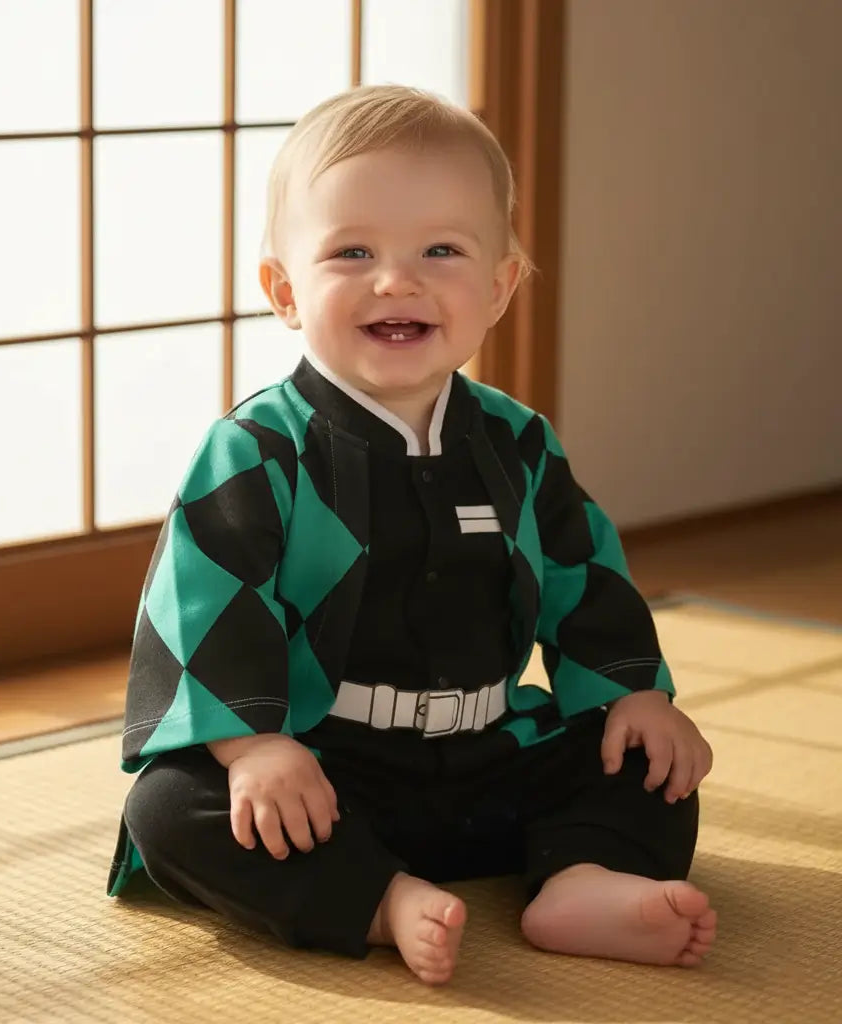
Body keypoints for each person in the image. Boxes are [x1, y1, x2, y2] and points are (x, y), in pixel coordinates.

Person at [107, 84, 716, 986]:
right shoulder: (255, 450)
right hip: (328, 773)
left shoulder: (517, 442)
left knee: (650, 761)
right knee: (170, 810)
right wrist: (254, 748)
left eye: (442, 249)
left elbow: (583, 575)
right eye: (353, 251)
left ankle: (582, 880)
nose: (397, 281)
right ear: (284, 290)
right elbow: (204, 604)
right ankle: (378, 901)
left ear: (499, 287)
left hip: (492, 754)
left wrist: (631, 692)